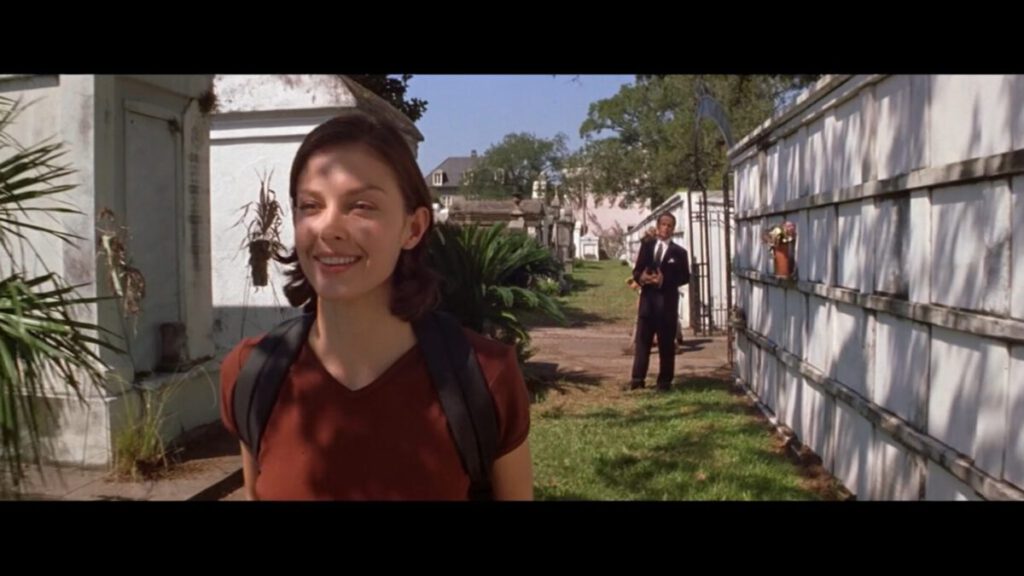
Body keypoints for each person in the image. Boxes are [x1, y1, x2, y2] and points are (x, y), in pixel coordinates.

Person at [218, 111, 533, 500]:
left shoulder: (484, 377)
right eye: (310, 206)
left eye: (362, 206)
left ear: (413, 228)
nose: (329, 227)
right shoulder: (252, 373)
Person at [625, 212, 690, 391]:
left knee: (666, 346)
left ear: (673, 229)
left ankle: (664, 382)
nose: (666, 228)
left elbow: (685, 277)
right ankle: (638, 379)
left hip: (667, 306)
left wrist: (664, 280)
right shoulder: (647, 246)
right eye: (663, 224)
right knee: (643, 343)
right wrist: (642, 278)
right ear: (658, 225)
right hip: (648, 304)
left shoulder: (679, 253)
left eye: (669, 226)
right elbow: (637, 271)